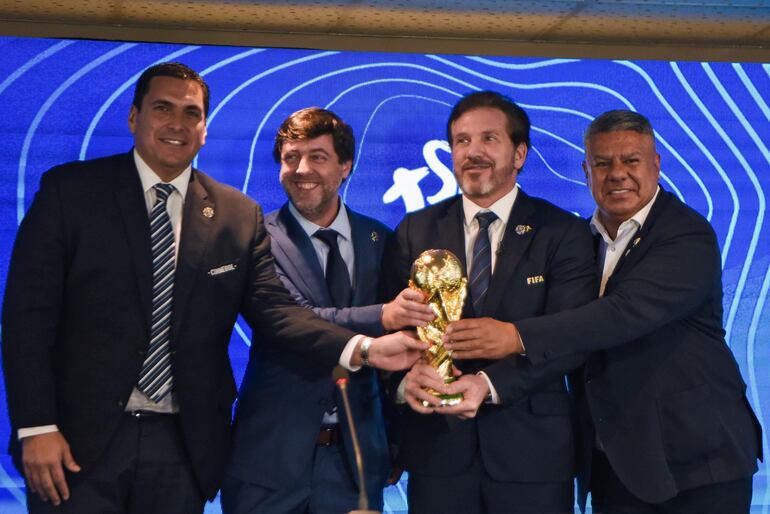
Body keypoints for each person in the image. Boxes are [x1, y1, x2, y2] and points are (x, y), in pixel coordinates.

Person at [1, 63, 425, 514]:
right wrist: (35, 425)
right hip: (76, 441)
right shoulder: (72, 191)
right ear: (133, 117)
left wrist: (364, 349)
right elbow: (28, 316)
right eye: (163, 108)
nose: (177, 124)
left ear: (204, 129)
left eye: (192, 113)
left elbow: (277, 313)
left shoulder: (235, 214)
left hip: (184, 447)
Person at [449, 109, 763, 513]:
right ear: (585, 170)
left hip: (698, 462)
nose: (617, 174)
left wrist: (515, 336)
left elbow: (622, 314)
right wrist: (484, 378)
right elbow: (568, 337)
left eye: (631, 160)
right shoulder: (577, 240)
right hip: (615, 462)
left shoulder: (687, 233)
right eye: (602, 163)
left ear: (656, 165)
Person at [380, 91, 597, 513]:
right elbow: (390, 329)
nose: (472, 152)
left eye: (488, 140)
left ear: (519, 154)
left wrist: (490, 385)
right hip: (437, 453)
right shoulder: (414, 231)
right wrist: (406, 382)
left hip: (532, 456)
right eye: (461, 141)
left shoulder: (562, 232)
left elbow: (572, 338)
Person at [222, 107, 433, 513]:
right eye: (290, 157)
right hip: (269, 461)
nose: (302, 169)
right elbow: (288, 319)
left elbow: (404, 352)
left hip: (356, 461)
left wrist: (395, 441)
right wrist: (383, 317)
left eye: (318, 157)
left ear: (345, 166)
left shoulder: (380, 239)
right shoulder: (255, 238)